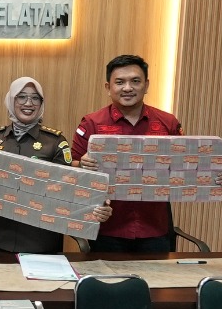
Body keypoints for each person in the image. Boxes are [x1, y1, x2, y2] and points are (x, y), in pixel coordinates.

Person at [0, 76, 110, 254]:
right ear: (11, 100)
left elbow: (69, 188)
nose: (28, 103)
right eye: (21, 97)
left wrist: (97, 204)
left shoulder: (55, 142)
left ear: (41, 104)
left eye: (35, 98)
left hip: (41, 241)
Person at [73, 54, 183, 253]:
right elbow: (70, 169)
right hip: (106, 229)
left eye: (135, 81)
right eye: (120, 82)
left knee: (156, 275)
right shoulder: (91, 123)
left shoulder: (168, 123)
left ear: (146, 85)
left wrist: (215, 172)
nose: (127, 88)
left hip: (154, 228)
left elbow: (184, 165)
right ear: (108, 88)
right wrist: (81, 164)